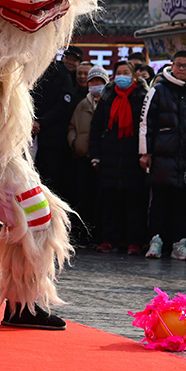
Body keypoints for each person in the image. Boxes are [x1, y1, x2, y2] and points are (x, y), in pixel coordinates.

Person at [138, 51, 186, 260]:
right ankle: (156, 242)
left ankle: (180, 243)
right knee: (158, 200)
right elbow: (145, 123)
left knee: (183, 203)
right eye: (178, 65)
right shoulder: (157, 91)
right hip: (161, 157)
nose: (181, 69)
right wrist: (145, 152)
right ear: (172, 65)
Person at [89, 60, 149, 254]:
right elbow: (96, 127)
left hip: (133, 156)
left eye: (126, 72)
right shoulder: (108, 96)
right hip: (110, 156)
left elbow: (147, 126)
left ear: (134, 76)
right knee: (110, 201)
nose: (122, 76)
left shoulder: (142, 97)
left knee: (135, 202)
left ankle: (134, 241)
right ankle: (109, 239)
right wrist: (95, 155)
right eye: (119, 72)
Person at [32, 46, 81, 197]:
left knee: (49, 177)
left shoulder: (62, 74)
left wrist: (41, 122)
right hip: (30, 131)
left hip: (51, 135)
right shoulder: (32, 71)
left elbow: (62, 105)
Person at [67, 65, 107, 245]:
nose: (95, 84)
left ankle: (98, 236)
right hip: (82, 157)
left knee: (100, 199)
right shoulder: (82, 104)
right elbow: (72, 127)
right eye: (93, 81)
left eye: (99, 81)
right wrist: (75, 143)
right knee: (82, 197)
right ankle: (82, 235)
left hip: (102, 159)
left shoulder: (109, 102)